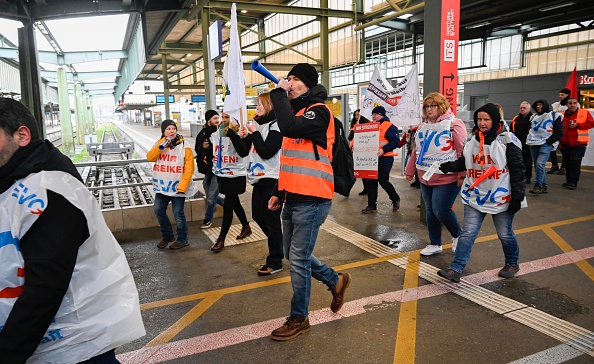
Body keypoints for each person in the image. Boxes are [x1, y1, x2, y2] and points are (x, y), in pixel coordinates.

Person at [0, 98, 145, 362]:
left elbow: (45, 287)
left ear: (21, 135)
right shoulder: (13, 182)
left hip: (73, 346)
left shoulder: (49, 190)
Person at [268, 63, 352, 341]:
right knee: (292, 254)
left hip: (313, 198)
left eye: (294, 80)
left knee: (299, 259)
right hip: (292, 197)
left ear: (307, 83)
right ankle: (335, 280)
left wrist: (277, 93)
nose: (289, 83)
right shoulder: (299, 113)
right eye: (288, 79)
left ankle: (299, 317)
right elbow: (289, 161)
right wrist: (279, 193)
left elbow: (288, 127)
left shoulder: (319, 112)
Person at [436, 103, 526, 282]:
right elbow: (466, 162)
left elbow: (518, 170)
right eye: (479, 119)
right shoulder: (472, 139)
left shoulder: (507, 140)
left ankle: (512, 263)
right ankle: (456, 269)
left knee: (505, 234)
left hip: (501, 197)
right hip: (475, 195)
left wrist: (518, 196)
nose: (482, 123)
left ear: (494, 120)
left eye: (486, 119)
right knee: (468, 233)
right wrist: (451, 167)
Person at [405, 92, 467, 256]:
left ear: (441, 106)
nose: (429, 109)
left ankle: (458, 234)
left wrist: (461, 174)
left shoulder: (454, 124)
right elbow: (417, 150)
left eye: (433, 106)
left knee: (441, 209)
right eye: (426, 106)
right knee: (430, 211)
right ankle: (435, 243)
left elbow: (463, 152)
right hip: (425, 177)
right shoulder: (423, 126)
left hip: (447, 177)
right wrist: (410, 170)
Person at [241, 92, 284, 276]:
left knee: (271, 221)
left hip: (272, 180)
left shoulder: (277, 126)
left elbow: (267, 151)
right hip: (258, 178)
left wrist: (254, 133)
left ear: (270, 105)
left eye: (259, 104)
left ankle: (275, 260)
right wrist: (243, 136)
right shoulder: (260, 125)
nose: (256, 108)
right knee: (258, 216)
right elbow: (244, 151)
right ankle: (280, 246)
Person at [148, 119, 196, 250]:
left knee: (178, 213)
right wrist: (162, 145)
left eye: (173, 128)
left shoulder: (185, 147)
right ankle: (167, 236)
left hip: (178, 187)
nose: (171, 131)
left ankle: (182, 239)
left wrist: (182, 187)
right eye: (168, 129)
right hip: (162, 187)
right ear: (163, 132)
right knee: (158, 210)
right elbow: (150, 157)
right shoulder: (159, 145)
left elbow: (189, 169)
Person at [210, 112, 251, 253]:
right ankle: (246, 226)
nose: (223, 120)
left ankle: (221, 239)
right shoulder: (218, 134)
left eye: (227, 117)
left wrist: (232, 134)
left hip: (236, 176)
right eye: (222, 117)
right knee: (235, 202)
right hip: (223, 175)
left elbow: (243, 152)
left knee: (228, 205)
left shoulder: (243, 134)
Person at [361, 105, 401, 213]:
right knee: (371, 181)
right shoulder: (370, 126)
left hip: (385, 159)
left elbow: (396, 142)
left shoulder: (389, 126)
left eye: (375, 114)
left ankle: (395, 198)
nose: (373, 117)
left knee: (383, 180)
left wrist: (383, 149)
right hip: (372, 159)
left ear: (381, 115)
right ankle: (371, 206)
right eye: (372, 114)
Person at [526, 99, 563, 194]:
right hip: (533, 143)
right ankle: (543, 186)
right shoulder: (533, 117)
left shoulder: (554, 116)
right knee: (538, 166)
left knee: (539, 164)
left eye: (540, 105)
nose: (538, 107)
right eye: (537, 105)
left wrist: (549, 141)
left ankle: (538, 185)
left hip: (545, 143)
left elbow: (559, 131)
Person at [195, 110, 224, 229]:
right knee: (209, 195)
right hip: (207, 169)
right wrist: (203, 147)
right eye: (215, 118)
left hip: (218, 169)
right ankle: (230, 206)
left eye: (218, 118)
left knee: (211, 196)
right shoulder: (202, 134)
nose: (217, 120)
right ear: (208, 121)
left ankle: (208, 219)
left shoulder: (221, 132)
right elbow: (197, 150)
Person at [559, 97, 594, 190]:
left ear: (577, 103)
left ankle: (573, 182)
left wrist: (578, 125)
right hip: (565, 144)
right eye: (570, 103)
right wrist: (559, 142)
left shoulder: (584, 113)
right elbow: (559, 129)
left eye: (574, 103)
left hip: (579, 143)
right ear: (567, 105)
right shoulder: (562, 115)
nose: (572, 105)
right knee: (567, 163)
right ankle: (569, 180)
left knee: (575, 162)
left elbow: (591, 123)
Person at [548, 88, 572, 175]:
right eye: (560, 95)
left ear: (567, 95)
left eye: (562, 95)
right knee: (552, 147)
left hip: (566, 129)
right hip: (556, 128)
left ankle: (563, 167)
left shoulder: (570, 105)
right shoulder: (556, 105)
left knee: (564, 149)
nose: (560, 96)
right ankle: (554, 165)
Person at [510, 101, 534, 184]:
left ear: (529, 109)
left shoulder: (533, 118)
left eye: (524, 108)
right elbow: (511, 130)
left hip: (529, 143)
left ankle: (528, 177)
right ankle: (519, 176)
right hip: (518, 143)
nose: (522, 109)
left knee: (528, 161)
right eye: (521, 108)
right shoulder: (516, 119)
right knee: (518, 161)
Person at [348, 109, 369, 195]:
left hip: (363, 151)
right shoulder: (354, 126)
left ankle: (366, 188)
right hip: (354, 150)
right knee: (354, 171)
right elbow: (350, 138)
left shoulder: (367, 125)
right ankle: (347, 189)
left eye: (358, 115)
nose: (357, 117)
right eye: (355, 115)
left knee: (363, 172)